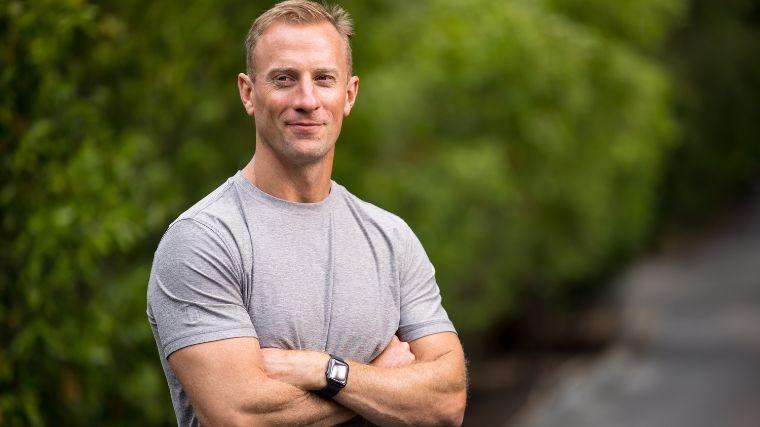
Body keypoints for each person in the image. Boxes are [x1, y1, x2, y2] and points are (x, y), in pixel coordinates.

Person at [146, 1, 467, 425]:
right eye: (284, 79)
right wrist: (382, 383)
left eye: (323, 79)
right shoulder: (203, 240)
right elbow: (239, 415)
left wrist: (325, 371)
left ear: (348, 95)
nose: (306, 99)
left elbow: (446, 402)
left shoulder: (391, 238)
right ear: (248, 92)